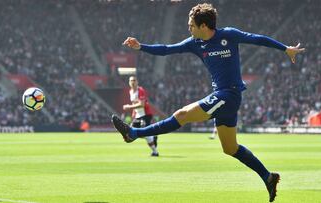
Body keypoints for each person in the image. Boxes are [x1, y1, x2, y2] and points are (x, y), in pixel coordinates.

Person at [112, 3, 304, 202]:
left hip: (228, 95)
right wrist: (141, 46)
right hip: (222, 98)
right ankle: (268, 177)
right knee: (230, 148)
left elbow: (257, 39)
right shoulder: (195, 43)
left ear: (203, 26)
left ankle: (134, 133)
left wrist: (285, 49)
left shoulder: (228, 35)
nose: (189, 28)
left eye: (191, 25)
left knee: (182, 115)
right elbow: (167, 49)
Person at [123, 76, 159, 156]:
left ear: (137, 82)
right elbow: (134, 104)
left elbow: (141, 104)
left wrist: (128, 107)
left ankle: (155, 152)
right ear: (129, 82)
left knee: (145, 133)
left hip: (145, 115)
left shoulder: (140, 90)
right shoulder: (131, 91)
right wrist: (133, 114)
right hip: (137, 116)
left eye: (134, 80)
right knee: (131, 133)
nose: (132, 82)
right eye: (131, 81)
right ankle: (153, 135)